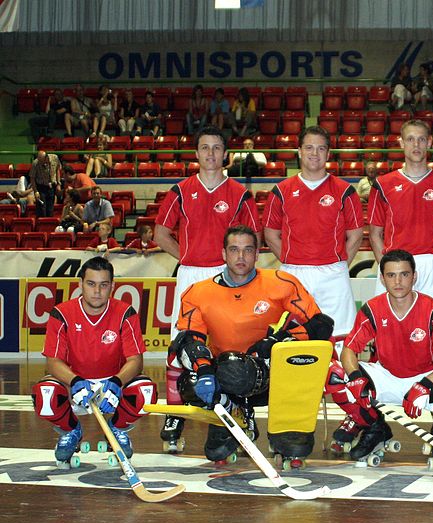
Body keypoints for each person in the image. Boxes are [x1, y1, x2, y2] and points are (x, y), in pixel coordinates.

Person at [171, 225, 334, 461]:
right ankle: (233, 410)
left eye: (248, 250)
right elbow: (189, 339)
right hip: (225, 378)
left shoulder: (282, 282)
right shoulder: (197, 292)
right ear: (224, 254)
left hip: (272, 374)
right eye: (234, 250)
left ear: (257, 255)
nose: (241, 257)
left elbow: (321, 324)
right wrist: (204, 369)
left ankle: (285, 427)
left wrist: (281, 341)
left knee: (294, 450)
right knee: (192, 382)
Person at [325, 249, 433, 467]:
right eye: (391, 275)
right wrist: (355, 376)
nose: (398, 281)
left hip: (426, 380)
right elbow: (349, 350)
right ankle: (375, 429)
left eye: (404, 274)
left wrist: (425, 384)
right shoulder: (373, 308)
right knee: (335, 373)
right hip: (387, 377)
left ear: (414, 276)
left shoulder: (432, 309)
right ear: (382, 279)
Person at [154, 125, 260, 450]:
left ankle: (242, 409)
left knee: (233, 347)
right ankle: (176, 414)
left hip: (228, 278)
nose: (211, 154)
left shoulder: (240, 194)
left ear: (225, 154)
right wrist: (186, 256)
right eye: (205, 147)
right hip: (189, 274)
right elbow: (160, 234)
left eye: (216, 148)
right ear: (197, 153)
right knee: (181, 346)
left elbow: (252, 242)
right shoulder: (180, 191)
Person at [32, 257, 157, 466]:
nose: (97, 291)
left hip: (112, 386)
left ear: (112, 287)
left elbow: (135, 361)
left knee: (146, 391)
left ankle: (117, 429)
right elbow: (53, 363)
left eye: (103, 285)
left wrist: (117, 383)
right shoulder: (61, 313)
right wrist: (74, 381)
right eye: (91, 284)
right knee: (44, 395)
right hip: (74, 385)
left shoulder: (126, 312)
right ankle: (71, 430)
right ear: (80, 284)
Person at [263, 126, 362, 341]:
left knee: (339, 337)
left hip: (333, 274)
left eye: (320, 148)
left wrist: (339, 265)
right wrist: (291, 260)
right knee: (291, 337)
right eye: (309, 147)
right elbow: (270, 234)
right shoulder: (281, 190)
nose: (314, 153)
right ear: (299, 151)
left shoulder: (345, 191)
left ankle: (338, 375)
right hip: (293, 274)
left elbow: (355, 235)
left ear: (328, 154)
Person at [367, 119, 433, 309]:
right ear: (401, 143)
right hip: (394, 262)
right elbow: (375, 234)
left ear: (430, 142)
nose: (416, 145)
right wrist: (388, 267)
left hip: (431, 262)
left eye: (421, 139)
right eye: (410, 139)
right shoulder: (383, 185)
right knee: (389, 328)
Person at [29, 150, 61, 218]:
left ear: (46, 158)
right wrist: (35, 191)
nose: (40, 162)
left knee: (50, 208)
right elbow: (32, 178)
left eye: (42, 160)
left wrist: (58, 184)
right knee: (41, 208)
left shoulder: (55, 158)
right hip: (41, 187)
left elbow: (57, 169)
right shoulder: (35, 163)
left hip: (52, 186)